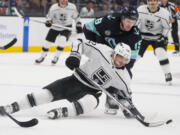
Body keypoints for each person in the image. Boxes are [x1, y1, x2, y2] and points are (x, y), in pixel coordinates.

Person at [0, 42, 133, 119]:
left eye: (125, 59)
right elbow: (79, 42)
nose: (121, 61)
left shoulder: (124, 76)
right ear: (114, 53)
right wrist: (75, 56)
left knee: (92, 102)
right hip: (73, 81)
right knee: (44, 94)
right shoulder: (102, 50)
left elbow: (126, 94)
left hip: (91, 91)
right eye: (120, 57)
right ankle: (12, 107)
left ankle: (62, 112)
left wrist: (127, 107)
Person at [77, 6, 142, 115]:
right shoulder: (108, 21)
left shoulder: (135, 35)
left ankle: (124, 98)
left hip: (119, 58)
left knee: (126, 75)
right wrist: (96, 47)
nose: (129, 25)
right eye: (127, 21)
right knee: (102, 73)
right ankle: (110, 98)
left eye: (133, 22)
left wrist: (122, 70)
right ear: (122, 18)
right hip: (104, 54)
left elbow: (132, 58)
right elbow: (87, 27)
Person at [35, 0, 83, 65]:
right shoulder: (54, 7)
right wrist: (48, 22)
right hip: (55, 27)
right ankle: (42, 56)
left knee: (62, 40)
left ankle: (56, 57)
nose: (63, 1)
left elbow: (77, 18)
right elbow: (49, 17)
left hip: (66, 27)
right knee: (47, 43)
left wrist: (78, 25)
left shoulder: (72, 7)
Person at [136, 0, 172, 85]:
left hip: (157, 37)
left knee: (160, 52)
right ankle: (124, 69)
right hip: (143, 37)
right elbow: (136, 22)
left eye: (154, 1)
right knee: (135, 54)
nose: (152, 3)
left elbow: (167, 27)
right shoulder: (140, 9)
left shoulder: (164, 13)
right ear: (147, 2)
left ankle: (167, 73)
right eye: (150, 0)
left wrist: (163, 36)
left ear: (157, 2)